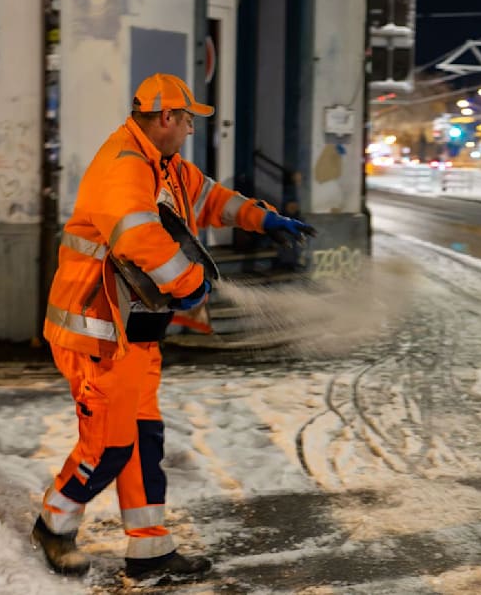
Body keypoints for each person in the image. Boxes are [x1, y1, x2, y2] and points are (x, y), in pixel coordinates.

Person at [33, 73, 315, 580]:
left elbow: (211, 199)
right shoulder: (124, 166)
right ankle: (53, 524)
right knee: (110, 445)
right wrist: (188, 282)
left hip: (133, 332)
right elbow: (138, 235)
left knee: (142, 439)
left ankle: (150, 552)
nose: (190, 129)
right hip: (97, 333)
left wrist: (263, 219)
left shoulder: (163, 164)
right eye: (187, 120)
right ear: (165, 117)